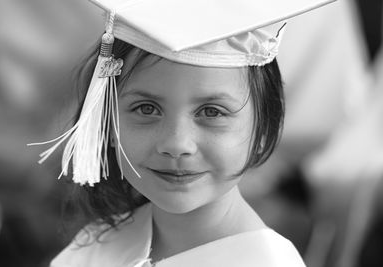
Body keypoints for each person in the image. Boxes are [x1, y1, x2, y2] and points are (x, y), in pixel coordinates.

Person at [29, 0, 336, 266]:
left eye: (212, 112)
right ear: (106, 121)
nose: (176, 144)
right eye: (147, 109)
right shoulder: (96, 245)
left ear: (264, 132)